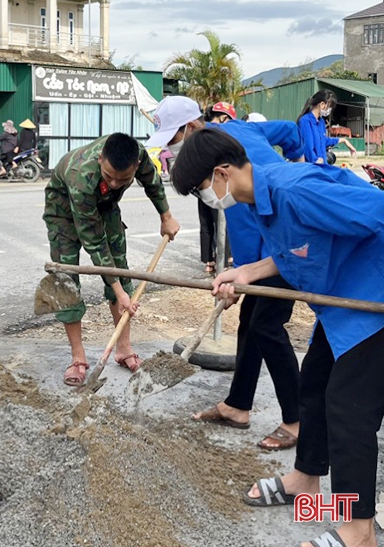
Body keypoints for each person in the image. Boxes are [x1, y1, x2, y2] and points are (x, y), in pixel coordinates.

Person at [172, 128, 384, 547]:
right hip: (340, 305)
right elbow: (296, 250)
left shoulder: (295, 190)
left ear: (222, 173)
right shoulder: (261, 203)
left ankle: (359, 530)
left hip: (373, 304)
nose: (206, 199)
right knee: (314, 384)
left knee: (348, 407)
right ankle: (306, 484)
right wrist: (247, 273)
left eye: (201, 190)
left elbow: (379, 213)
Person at [148, 95, 305, 450]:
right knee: (251, 322)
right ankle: (238, 405)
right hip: (267, 247)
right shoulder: (228, 139)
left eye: (173, 139)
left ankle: (297, 420)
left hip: (289, 244)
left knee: (267, 325)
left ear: (191, 127)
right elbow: (287, 130)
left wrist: (301, 162)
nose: (173, 149)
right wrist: (240, 275)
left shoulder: (226, 162)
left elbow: (251, 233)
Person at [44, 132, 181, 384]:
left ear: (135, 165)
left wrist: (166, 216)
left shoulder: (137, 154)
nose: (117, 184)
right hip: (63, 210)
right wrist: (119, 292)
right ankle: (78, 357)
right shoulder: (82, 176)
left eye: (124, 179)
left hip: (105, 205)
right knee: (66, 279)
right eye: (109, 176)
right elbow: (95, 243)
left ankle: (124, 349)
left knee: (121, 269)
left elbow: (152, 182)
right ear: (99, 160)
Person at [197, 101, 237, 274]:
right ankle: (226, 257)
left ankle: (208, 261)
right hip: (217, 184)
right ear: (223, 117)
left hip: (200, 183)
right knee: (221, 220)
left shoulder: (200, 132)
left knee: (205, 223)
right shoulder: (222, 133)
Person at [297, 89, 357, 164]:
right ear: (322, 104)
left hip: (322, 165)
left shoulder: (321, 122)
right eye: (330, 107)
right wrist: (315, 160)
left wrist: (344, 140)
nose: (330, 110)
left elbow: (324, 141)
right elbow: (307, 147)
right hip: (312, 167)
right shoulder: (305, 121)